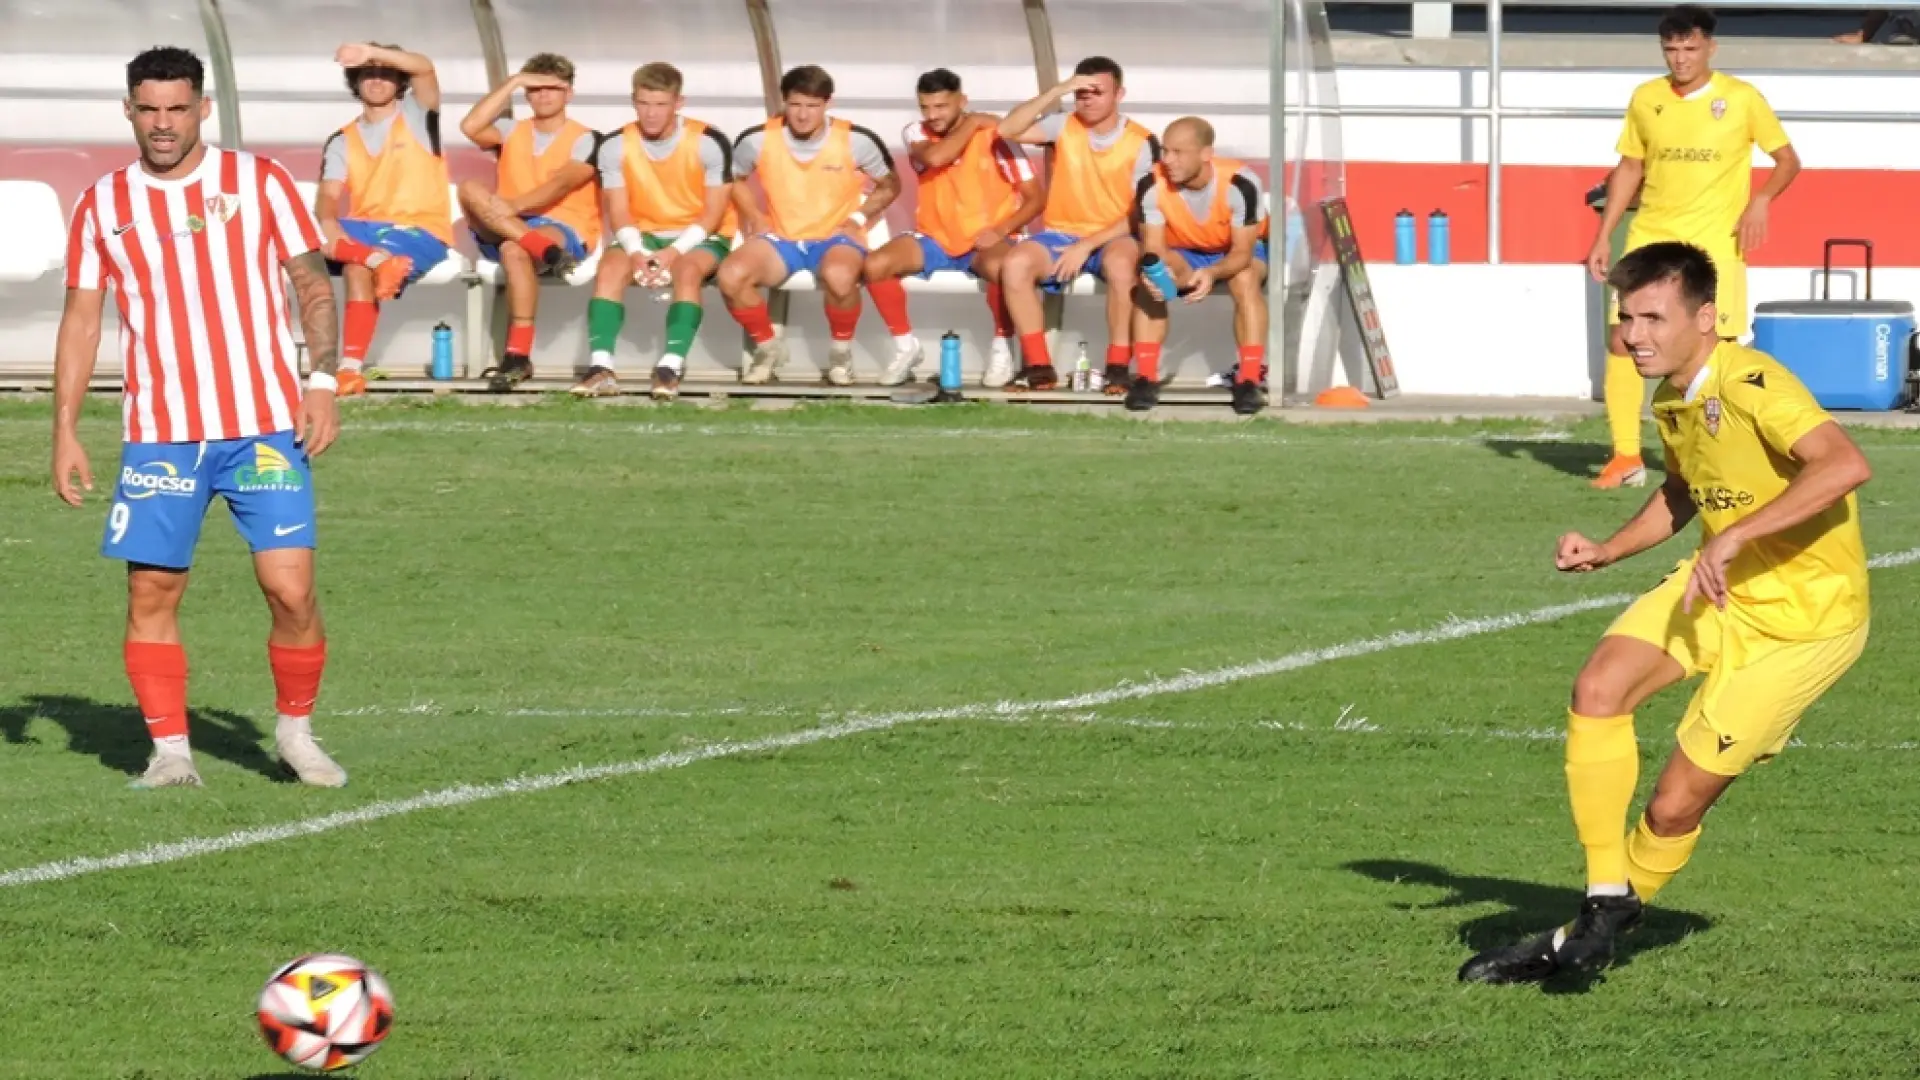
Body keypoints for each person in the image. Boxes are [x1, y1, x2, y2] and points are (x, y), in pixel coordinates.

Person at [1460, 242, 1873, 984]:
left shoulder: (1751, 382)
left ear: (1706, 317)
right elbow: (1685, 490)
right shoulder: (1671, 395)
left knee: (1675, 808)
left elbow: (1844, 464)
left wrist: (1739, 534)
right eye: (1627, 317)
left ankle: (1583, 933)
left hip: (1805, 624)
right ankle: (1603, 899)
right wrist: (1610, 549)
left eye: (1653, 316)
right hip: (1716, 590)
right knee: (1598, 688)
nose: (1634, 334)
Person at [51, 47, 350, 790]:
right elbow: (82, 320)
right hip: (162, 432)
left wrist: (320, 380)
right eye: (148, 108)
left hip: (264, 425)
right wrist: (63, 427)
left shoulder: (259, 183)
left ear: (202, 109)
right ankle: (171, 753)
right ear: (129, 109)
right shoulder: (103, 203)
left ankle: (296, 732)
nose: (162, 123)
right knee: (152, 590)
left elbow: (312, 284)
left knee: (290, 588)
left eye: (176, 108)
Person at [1586, 4, 1800, 489]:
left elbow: (1787, 160)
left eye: (1690, 48)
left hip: (1714, 245)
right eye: (1672, 49)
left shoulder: (1741, 98)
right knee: (1623, 340)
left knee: (1712, 353)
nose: (1680, 58)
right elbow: (1629, 168)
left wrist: (1761, 201)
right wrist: (1603, 234)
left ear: (1710, 47)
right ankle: (1625, 457)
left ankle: (1719, 453)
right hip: (1650, 239)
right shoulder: (1646, 98)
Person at [718, 65, 899, 386]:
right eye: (796, 104)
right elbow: (734, 179)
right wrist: (756, 217)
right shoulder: (757, 138)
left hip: (834, 238)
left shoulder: (855, 139)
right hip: (780, 239)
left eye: (812, 106)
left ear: (828, 104)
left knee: (840, 276)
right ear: (784, 102)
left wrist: (856, 219)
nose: (803, 115)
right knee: (730, 276)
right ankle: (767, 347)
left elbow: (890, 184)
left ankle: (840, 354)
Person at [861, 68, 1041, 388]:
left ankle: (1002, 347)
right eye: (925, 107)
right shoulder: (916, 132)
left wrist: (1001, 231)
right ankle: (907, 348)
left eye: (941, 106)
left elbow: (1035, 198)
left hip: (984, 239)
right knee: (876, 265)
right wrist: (972, 122)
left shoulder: (999, 138)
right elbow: (936, 158)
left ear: (962, 101)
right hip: (935, 236)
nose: (932, 115)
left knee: (1005, 269)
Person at [996, 56, 1158, 393]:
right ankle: (1039, 367)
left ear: (1119, 94)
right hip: (1061, 233)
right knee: (1015, 264)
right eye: (1081, 93)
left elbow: (1139, 213)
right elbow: (1006, 130)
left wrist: (1086, 245)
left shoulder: (1142, 141)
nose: (1087, 100)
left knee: (1121, 264)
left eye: (1097, 92)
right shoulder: (1063, 124)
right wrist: (1057, 89)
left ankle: (1117, 366)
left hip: (1116, 233)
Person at [577, 61, 736, 401]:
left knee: (688, 270)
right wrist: (636, 252)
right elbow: (618, 211)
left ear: (679, 104)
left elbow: (714, 213)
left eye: (660, 104)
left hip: (701, 235)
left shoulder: (709, 141)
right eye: (643, 103)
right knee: (609, 269)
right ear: (633, 101)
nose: (650, 113)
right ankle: (600, 367)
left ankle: (670, 367)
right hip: (644, 234)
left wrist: (673, 252)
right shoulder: (614, 145)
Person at [456, 53, 600, 392]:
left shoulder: (588, 138)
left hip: (560, 226)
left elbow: (560, 185)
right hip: (513, 223)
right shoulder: (511, 130)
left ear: (569, 94)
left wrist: (509, 207)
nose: (543, 96)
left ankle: (517, 356)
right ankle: (545, 253)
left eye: (553, 88)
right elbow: (470, 127)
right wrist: (513, 82)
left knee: (513, 249)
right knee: (468, 189)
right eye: (535, 89)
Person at [317, 41, 452, 396]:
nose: (376, 80)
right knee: (286, 235)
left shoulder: (417, 116)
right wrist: (327, 224)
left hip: (418, 229)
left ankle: (348, 370)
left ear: (400, 82)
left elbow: (424, 66)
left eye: (386, 73)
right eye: (367, 73)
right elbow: (328, 196)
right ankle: (379, 261)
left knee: (356, 267)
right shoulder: (341, 139)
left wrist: (369, 52)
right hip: (362, 230)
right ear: (355, 82)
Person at [1129, 116, 1270, 415]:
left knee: (1244, 279)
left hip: (1233, 252)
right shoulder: (1150, 184)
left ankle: (1248, 379)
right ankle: (1144, 377)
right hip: (1184, 251)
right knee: (1147, 278)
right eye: (1165, 151)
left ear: (1206, 154)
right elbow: (1153, 248)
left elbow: (1242, 252)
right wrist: (1156, 273)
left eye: (1178, 152)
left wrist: (1212, 272)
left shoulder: (1240, 183)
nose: (1167, 160)